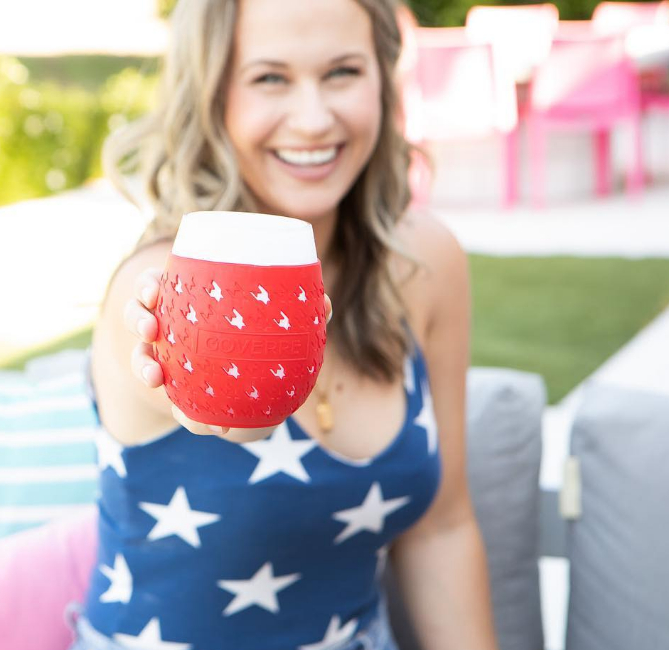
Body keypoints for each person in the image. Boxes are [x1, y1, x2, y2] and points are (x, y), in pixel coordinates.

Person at [73, 0, 499, 648]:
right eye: (270, 78)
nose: (313, 118)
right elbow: (191, 395)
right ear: (211, 94)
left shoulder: (427, 263)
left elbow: (440, 528)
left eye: (342, 72)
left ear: (383, 80)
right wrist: (196, 392)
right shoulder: (163, 286)